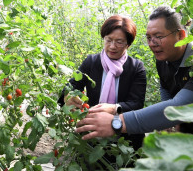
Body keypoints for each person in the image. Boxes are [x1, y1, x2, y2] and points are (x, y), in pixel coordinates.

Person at [75, 6, 193, 146]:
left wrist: (117, 123)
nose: (152, 44)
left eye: (158, 36)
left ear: (180, 35)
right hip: (189, 142)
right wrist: (170, 122)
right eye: (149, 37)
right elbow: (165, 87)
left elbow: (180, 104)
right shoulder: (163, 60)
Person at [58, 15, 147, 151]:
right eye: (108, 40)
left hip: (125, 140)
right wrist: (68, 96)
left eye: (119, 42)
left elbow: (136, 103)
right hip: (92, 134)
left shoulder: (136, 68)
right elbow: (71, 86)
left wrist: (114, 108)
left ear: (128, 44)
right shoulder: (91, 62)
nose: (112, 46)